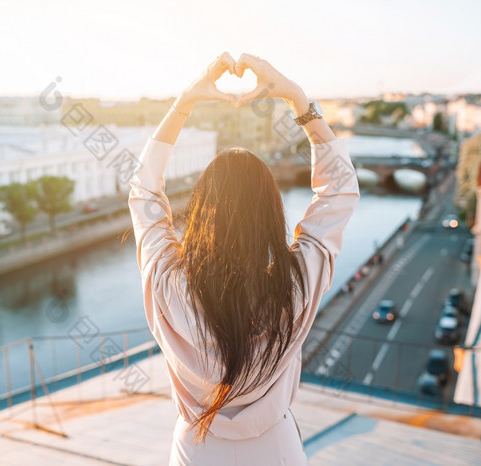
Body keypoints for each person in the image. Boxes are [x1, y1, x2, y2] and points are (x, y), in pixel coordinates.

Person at [128, 52, 360, 465]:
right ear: (271, 213)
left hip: (197, 447)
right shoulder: (295, 284)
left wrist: (185, 103)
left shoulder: (169, 283)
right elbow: (339, 189)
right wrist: (297, 100)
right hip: (277, 448)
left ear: (201, 211)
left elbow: (144, 192)